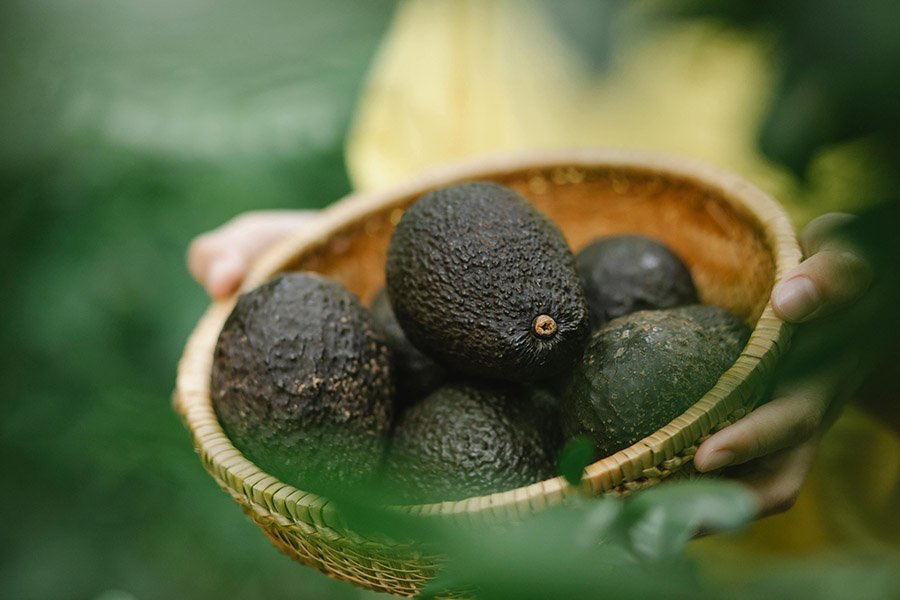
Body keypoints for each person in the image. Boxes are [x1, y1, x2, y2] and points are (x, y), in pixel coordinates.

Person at [187, 0, 897, 554]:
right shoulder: (464, 27)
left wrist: (868, 337)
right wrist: (317, 268)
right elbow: (417, 237)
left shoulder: (857, 42)